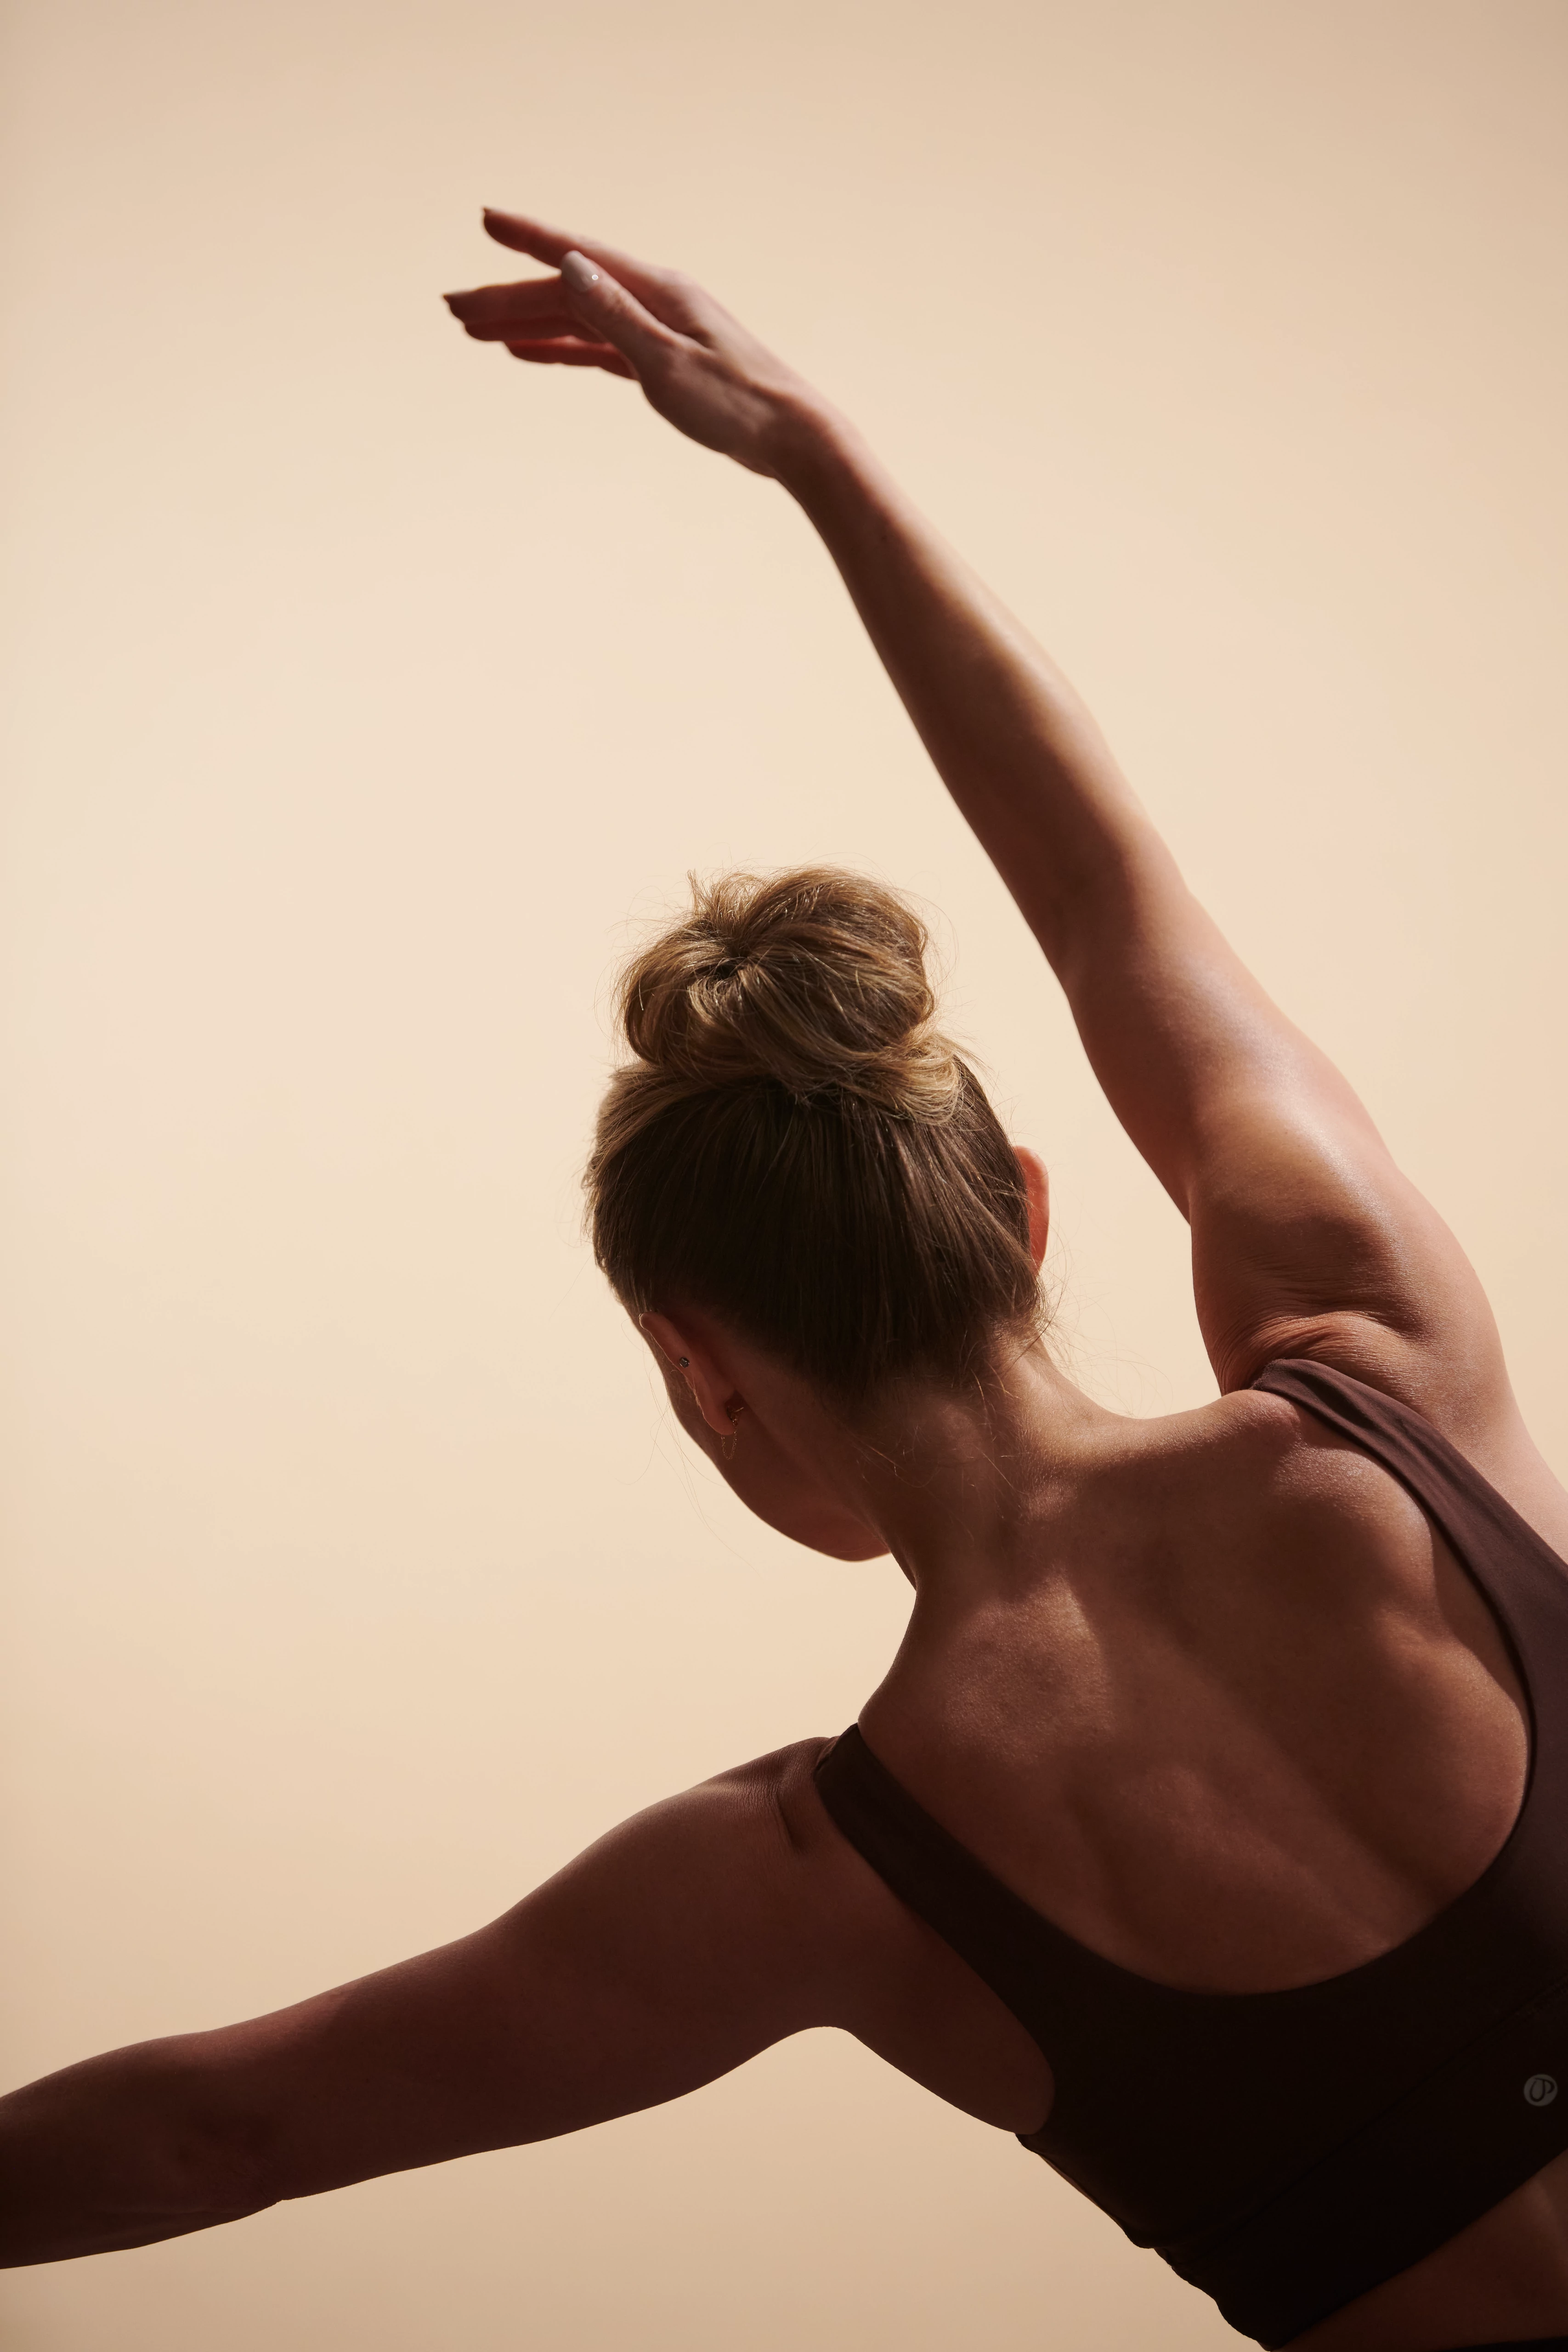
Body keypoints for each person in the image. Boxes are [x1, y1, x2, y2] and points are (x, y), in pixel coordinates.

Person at [2, 210, 1567, 2352]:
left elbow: (215, 2132)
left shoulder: (820, 1887)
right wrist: (817, 456)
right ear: (1023, 1200)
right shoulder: (1384, 1371)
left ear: (702, 1374)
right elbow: (1113, 893)